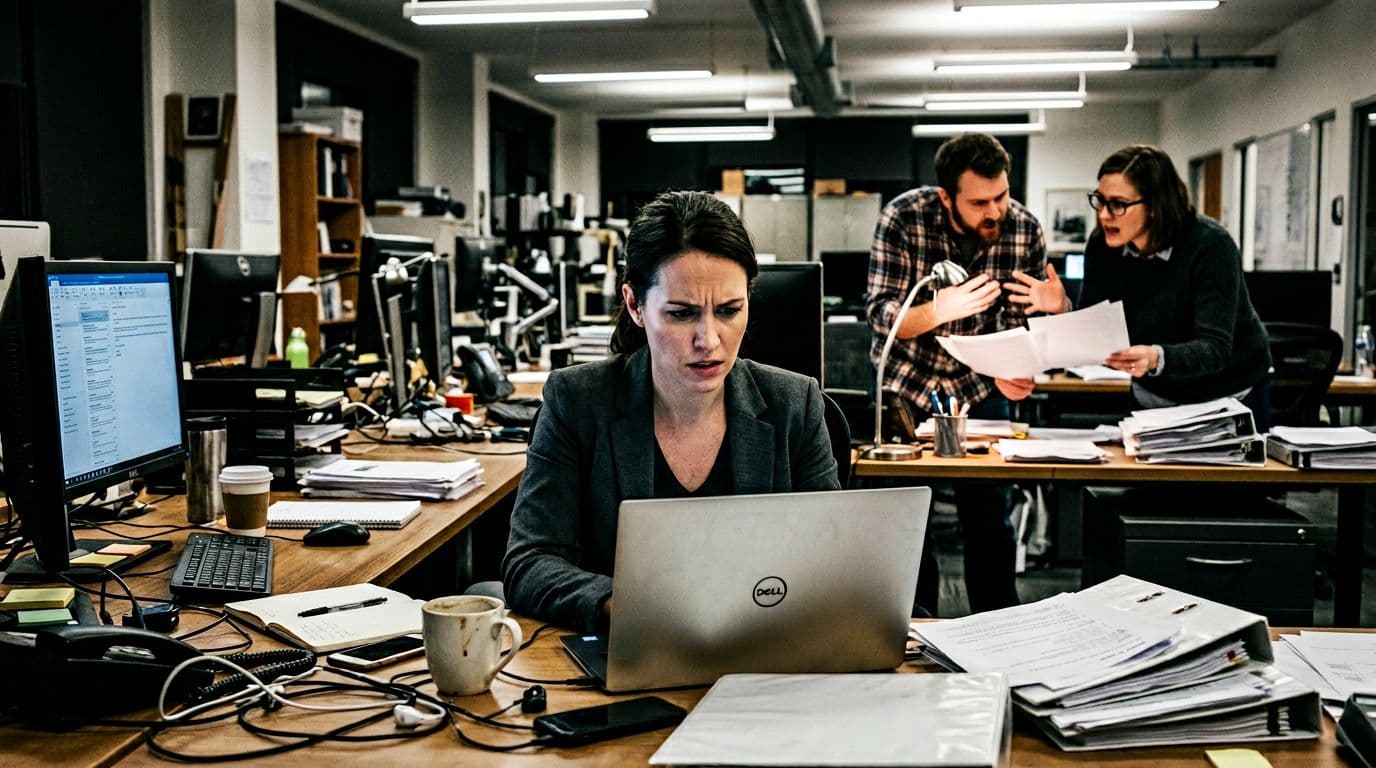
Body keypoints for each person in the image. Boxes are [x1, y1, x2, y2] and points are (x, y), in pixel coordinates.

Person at [503, 190, 841, 633]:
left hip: (765, 651)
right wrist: (626, 606)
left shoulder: (795, 404)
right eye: (681, 314)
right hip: (627, 649)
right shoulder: (578, 401)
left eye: (728, 311)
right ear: (634, 305)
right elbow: (530, 562)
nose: (709, 339)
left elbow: (835, 557)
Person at [867, 133, 1064, 615]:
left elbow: (1023, 326)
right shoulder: (903, 218)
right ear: (946, 197)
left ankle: (998, 624)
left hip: (980, 389)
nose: (993, 211)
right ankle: (916, 623)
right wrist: (936, 310)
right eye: (978, 202)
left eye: (1000, 196)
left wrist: (1020, 365)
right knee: (910, 516)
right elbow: (879, 313)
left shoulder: (1023, 229)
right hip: (908, 386)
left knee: (990, 515)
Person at [1002, 144, 1272, 428]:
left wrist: (1157, 357)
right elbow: (1096, 333)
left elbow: (1215, 347)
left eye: (1117, 204)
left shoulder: (1210, 245)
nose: (1104, 215)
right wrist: (1064, 308)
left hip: (1228, 397)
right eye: (1100, 201)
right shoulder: (1103, 246)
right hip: (1154, 396)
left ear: (1156, 206)